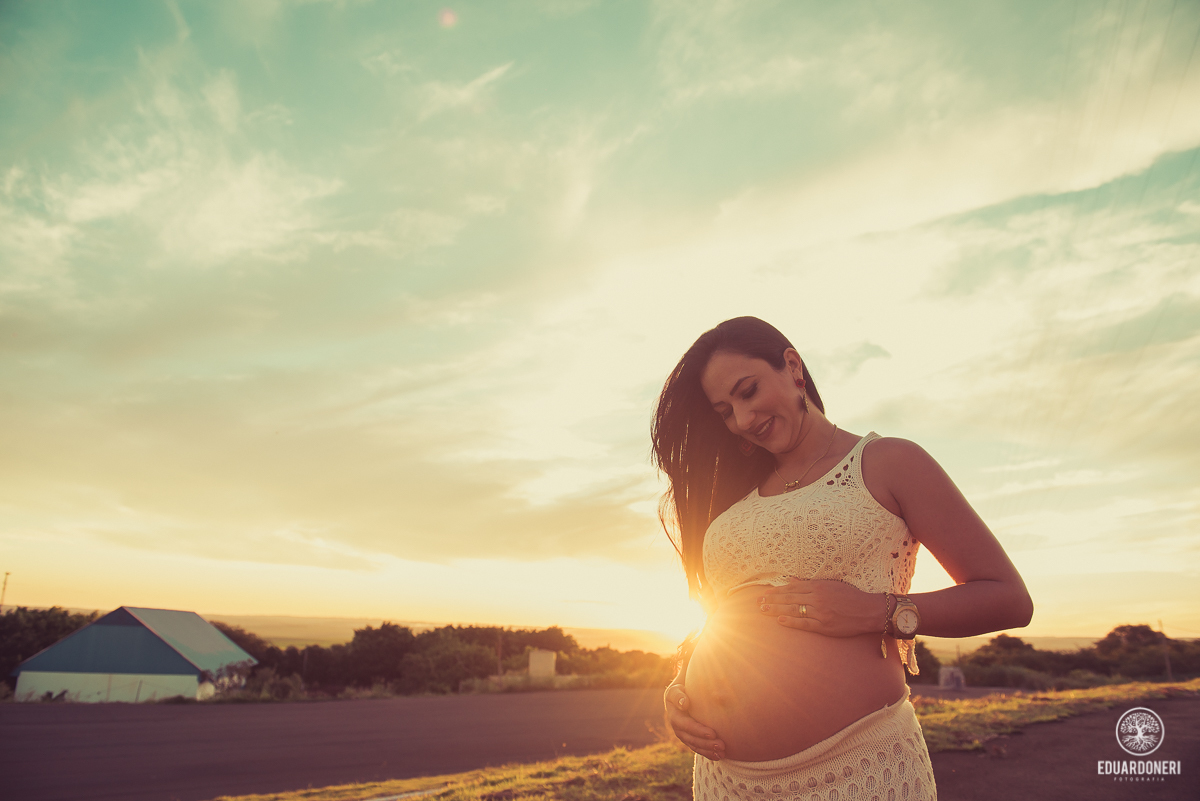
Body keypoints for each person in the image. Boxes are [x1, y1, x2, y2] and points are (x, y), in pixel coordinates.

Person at [651, 317, 1033, 801]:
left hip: (858, 771)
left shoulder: (889, 462)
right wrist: (683, 685)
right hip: (726, 781)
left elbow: (1008, 598)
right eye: (725, 411)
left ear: (793, 367)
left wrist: (879, 611)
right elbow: (726, 615)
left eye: (748, 392)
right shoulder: (734, 499)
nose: (743, 419)